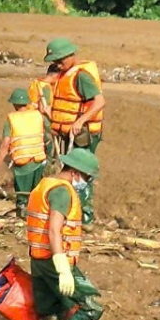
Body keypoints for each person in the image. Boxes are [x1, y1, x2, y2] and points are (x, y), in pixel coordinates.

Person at [25, 148, 103, 320]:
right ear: (75, 172)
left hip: (38, 259)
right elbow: (54, 229)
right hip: (55, 262)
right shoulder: (62, 192)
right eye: (86, 177)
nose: (87, 182)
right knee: (92, 306)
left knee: (52, 312)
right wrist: (63, 268)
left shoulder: (44, 185)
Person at [44, 38, 104, 223]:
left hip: (83, 135)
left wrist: (80, 121)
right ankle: (72, 210)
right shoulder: (64, 74)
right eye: (55, 62)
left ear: (70, 56)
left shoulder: (81, 77)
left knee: (81, 173)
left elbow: (100, 102)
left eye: (60, 61)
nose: (57, 65)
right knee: (69, 172)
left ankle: (86, 217)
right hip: (68, 134)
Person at [0, 87, 48, 218]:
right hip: (39, 160)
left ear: (14, 103)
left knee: (22, 195)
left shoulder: (12, 120)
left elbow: (5, 144)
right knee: (36, 192)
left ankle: (23, 214)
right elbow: (49, 133)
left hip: (23, 164)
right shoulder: (37, 115)